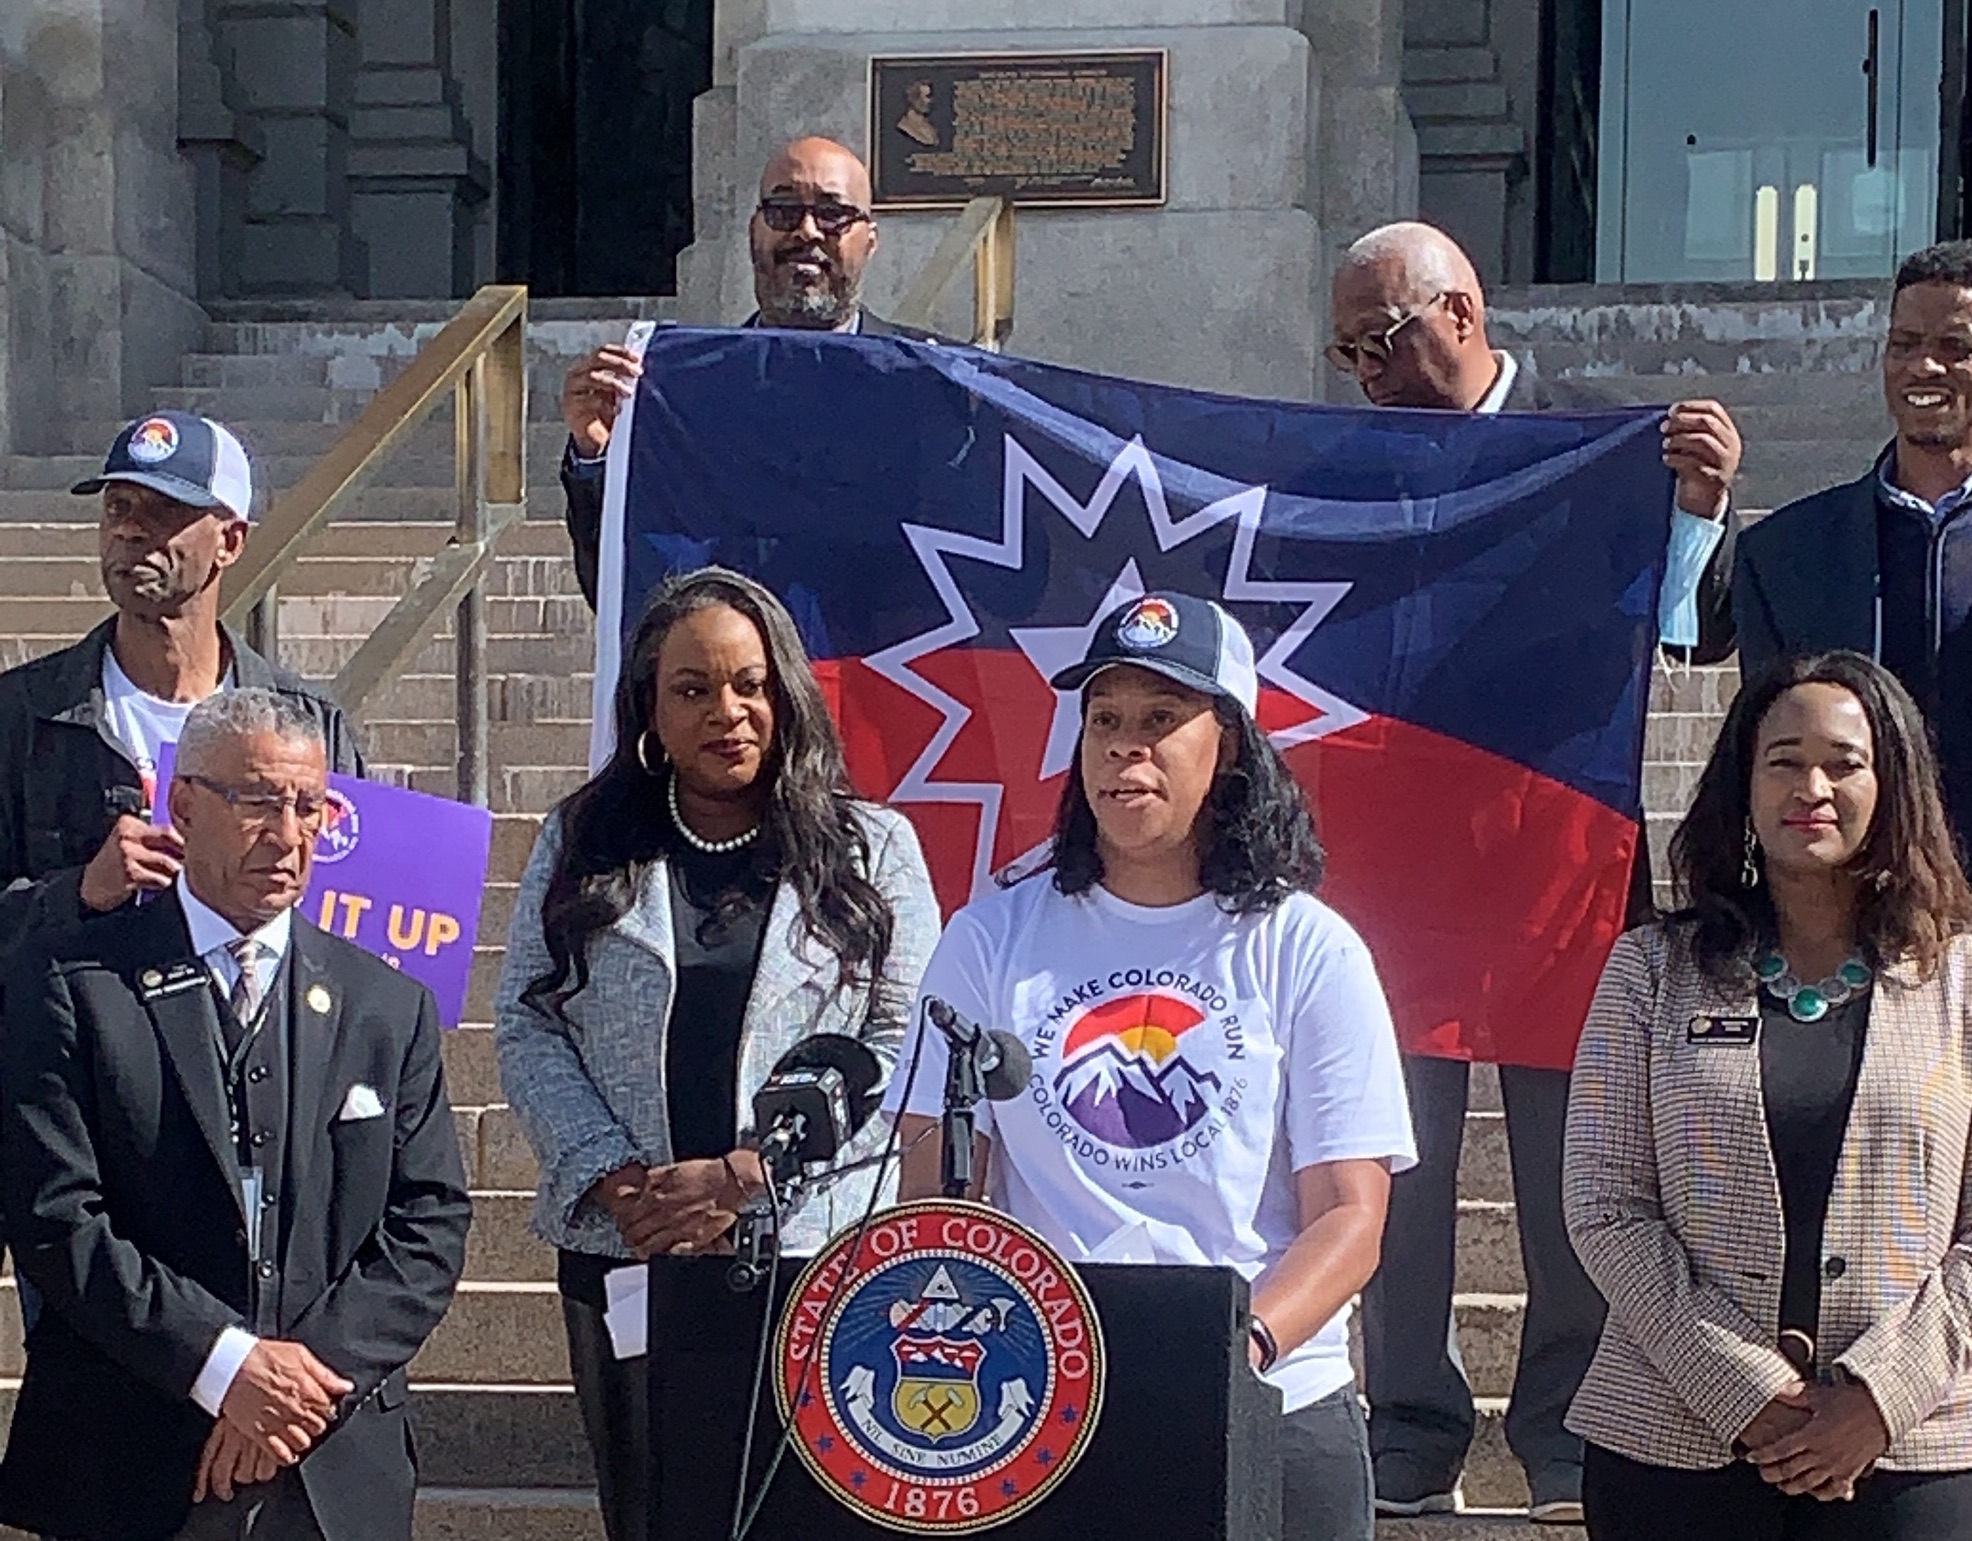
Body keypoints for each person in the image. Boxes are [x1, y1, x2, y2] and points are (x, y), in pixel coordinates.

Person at [1328, 219, 1746, 1523]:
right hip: (1395, 885)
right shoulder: (1338, 475)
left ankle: (1566, 1426)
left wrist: (1698, 513)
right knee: (1397, 1171)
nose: (1364, 378)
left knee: (1580, 1179)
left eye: (1379, 343)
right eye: (1346, 353)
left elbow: (1678, 633)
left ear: (1460, 312)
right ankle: (1408, 1424)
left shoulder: (1605, 455)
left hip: (1562, 872)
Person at [887, 590, 1418, 1541]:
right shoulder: (991, 936)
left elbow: (1350, 1216)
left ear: (1231, 746)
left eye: (1162, 720)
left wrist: (1234, 1352)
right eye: (1106, 721)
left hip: (1273, 1405)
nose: (1127, 748)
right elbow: (936, 1184)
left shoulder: (1308, 949)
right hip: (1048, 1410)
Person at [494, 566, 940, 1541]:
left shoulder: (874, 849)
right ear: (650, 707)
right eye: (693, 688)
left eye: (749, 684)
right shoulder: (584, 838)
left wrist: (747, 1175)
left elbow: (897, 1039)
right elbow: (528, 1018)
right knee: (654, 1516)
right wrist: (617, 1177)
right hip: (631, 1245)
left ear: (785, 694)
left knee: (804, 1518)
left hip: (807, 1253)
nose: (726, 711)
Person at [0, 687, 471, 1541]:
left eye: (309, 807)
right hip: (129, 1459)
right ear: (182, 803)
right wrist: (224, 1366)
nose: (288, 835)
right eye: (257, 801)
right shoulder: (75, 985)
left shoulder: (386, 1006)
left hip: (331, 1465)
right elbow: (55, 1218)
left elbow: (428, 1221)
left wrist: (292, 1387)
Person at [1563, 649, 1972, 1539]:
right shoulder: (1651, 969)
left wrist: (1876, 1396)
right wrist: (1743, 1389)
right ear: (1743, 785)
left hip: (1909, 1455)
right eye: (1783, 759)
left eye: (1843, 761)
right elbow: (1604, 1203)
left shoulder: (1962, 979)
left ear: (1893, 782)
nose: (1811, 785)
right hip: (1672, 1442)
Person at [0, 410, 363, 981]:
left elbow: (354, 929)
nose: (130, 530)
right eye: (117, 507)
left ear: (231, 541)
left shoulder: (310, 726)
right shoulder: (21, 714)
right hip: (70, 1055)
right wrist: (81, 892)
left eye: (164, 509)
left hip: (248, 1049)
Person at [558, 137, 941, 611]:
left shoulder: (931, 387)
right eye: (783, 209)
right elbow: (622, 590)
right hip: (740, 680)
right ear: (753, 232)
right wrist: (599, 458)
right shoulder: (683, 400)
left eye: (832, 213)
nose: (806, 231)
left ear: (870, 240)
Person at [1722, 239, 1972, 846]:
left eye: (1954, 347)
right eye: (1905, 345)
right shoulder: (1783, 555)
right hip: (1854, 910)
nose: (1924, 367)